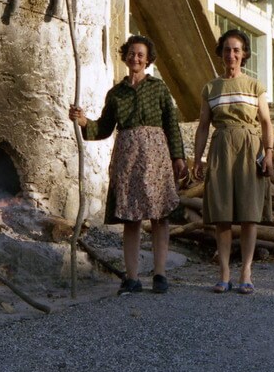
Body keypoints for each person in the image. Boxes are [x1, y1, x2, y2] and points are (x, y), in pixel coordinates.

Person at [69, 35, 187, 295]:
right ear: (125, 56)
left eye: (140, 55)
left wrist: (178, 157)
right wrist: (84, 121)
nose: (135, 58)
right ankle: (132, 278)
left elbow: (172, 125)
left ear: (148, 60)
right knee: (131, 218)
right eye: (131, 53)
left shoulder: (158, 88)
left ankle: (159, 274)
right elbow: (104, 128)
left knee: (159, 216)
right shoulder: (116, 93)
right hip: (128, 158)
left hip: (156, 158)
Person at [193, 28, 274, 294]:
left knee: (250, 214)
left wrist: (269, 153)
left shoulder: (254, 86)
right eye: (227, 49)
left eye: (237, 50)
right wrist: (198, 158)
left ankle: (247, 272)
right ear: (221, 54)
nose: (232, 54)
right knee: (223, 214)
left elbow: (265, 122)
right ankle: (225, 272)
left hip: (250, 149)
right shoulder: (211, 87)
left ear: (244, 54)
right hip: (221, 148)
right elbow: (204, 126)